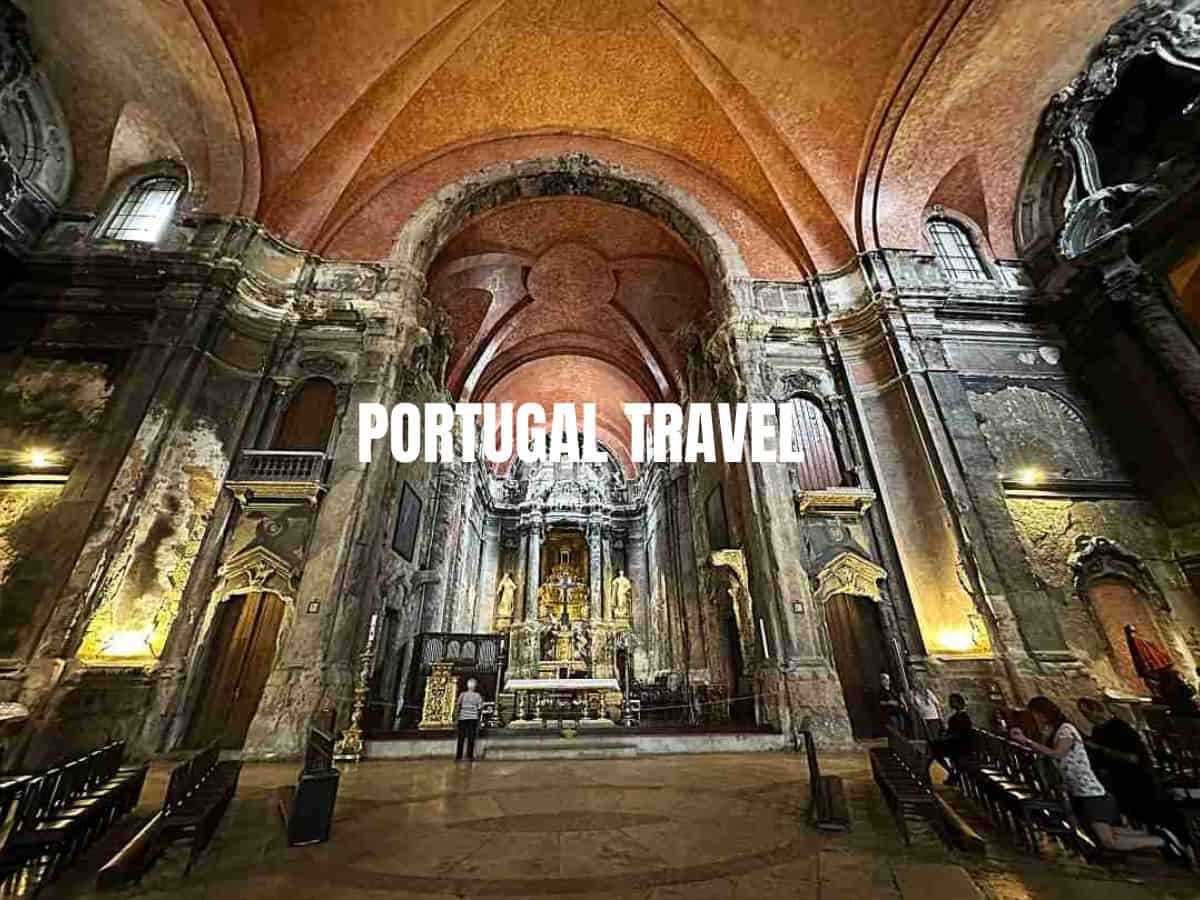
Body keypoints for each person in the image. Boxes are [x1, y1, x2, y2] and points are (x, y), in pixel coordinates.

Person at [1011, 696, 1188, 861]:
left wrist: (1027, 741)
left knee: (1108, 840)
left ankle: (1162, 840)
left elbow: (1058, 754)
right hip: (1082, 789)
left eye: (1035, 715)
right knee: (1107, 833)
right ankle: (1159, 836)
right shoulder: (1061, 731)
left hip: (1090, 790)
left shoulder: (1067, 730)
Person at [1078, 697, 1157, 828]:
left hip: (1137, 780)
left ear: (1097, 710)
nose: (1087, 717)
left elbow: (1134, 758)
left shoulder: (1120, 728)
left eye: (1088, 713)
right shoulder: (1097, 731)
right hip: (1118, 781)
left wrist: (1102, 749)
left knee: (1147, 816)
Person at [930, 694, 974, 786]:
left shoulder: (963, 717)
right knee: (934, 746)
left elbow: (961, 733)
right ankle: (952, 773)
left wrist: (946, 737)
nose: (950, 703)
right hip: (955, 742)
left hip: (962, 745)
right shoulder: (955, 717)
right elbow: (952, 731)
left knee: (936, 748)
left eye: (952, 701)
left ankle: (953, 774)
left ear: (958, 703)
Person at [454, 677, 484, 762]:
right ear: (475, 686)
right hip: (473, 718)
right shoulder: (477, 696)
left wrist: (457, 716)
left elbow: (458, 705)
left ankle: (459, 755)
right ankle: (469, 756)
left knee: (461, 737)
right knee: (471, 737)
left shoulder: (462, 695)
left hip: (463, 718)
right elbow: (480, 707)